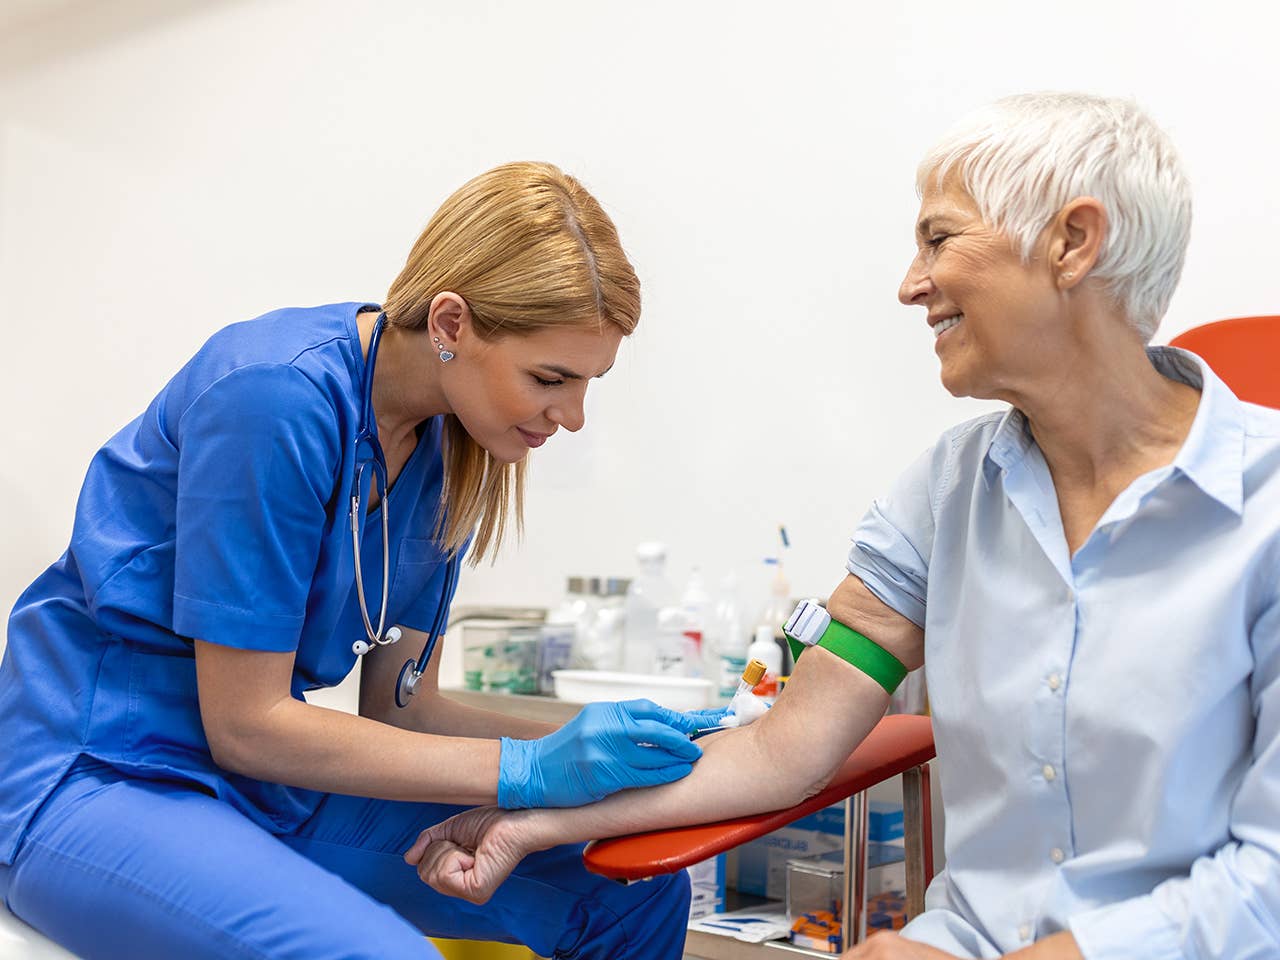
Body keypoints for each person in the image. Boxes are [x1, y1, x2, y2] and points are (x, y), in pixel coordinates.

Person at [407, 94, 1280, 960]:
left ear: (1072, 243)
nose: (910, 284)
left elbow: (1268, 889)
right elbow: (785, 748)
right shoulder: (949, 492)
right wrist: (536, 821)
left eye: (939, 238)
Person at [0, 161, 720, 960]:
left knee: (634, 885)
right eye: (550, 378)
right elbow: (246, 724)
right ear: (450, 324)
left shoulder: (450, 446)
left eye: (590, 383)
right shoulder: (275, 396)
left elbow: (404, 710)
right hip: (106, 775)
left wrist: (593, 744)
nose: (574, 416)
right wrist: (530, 769)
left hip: (270, 788)